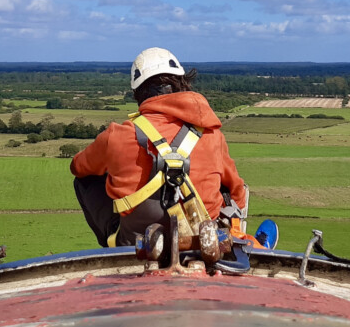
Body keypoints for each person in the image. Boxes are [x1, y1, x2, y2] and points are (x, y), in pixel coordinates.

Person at [70, 47, 248, 247]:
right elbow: (237, 193)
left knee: (85, 180)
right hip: (204, 241)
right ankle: (233, 237)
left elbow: (77, 167)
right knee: (225, 183)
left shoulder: (117, 135)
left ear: (138, 92)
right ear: (183, 83)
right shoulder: (211, 133)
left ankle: (113, 243)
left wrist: (118, 164)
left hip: (135, 243)